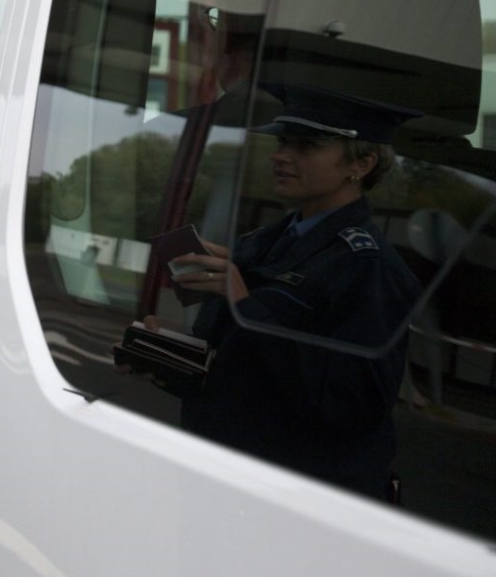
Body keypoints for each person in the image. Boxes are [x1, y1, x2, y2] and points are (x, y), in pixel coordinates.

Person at [153, 83, 423, 500]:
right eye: (283, 142)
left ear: (363, 163)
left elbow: (353, 406)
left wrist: (245, 302)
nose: (280, 156)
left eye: (306, 146)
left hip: (296, 500)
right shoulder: (263, 243)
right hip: (224, 479)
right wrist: (164, 357)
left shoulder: (369, 267)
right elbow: (247, 375)